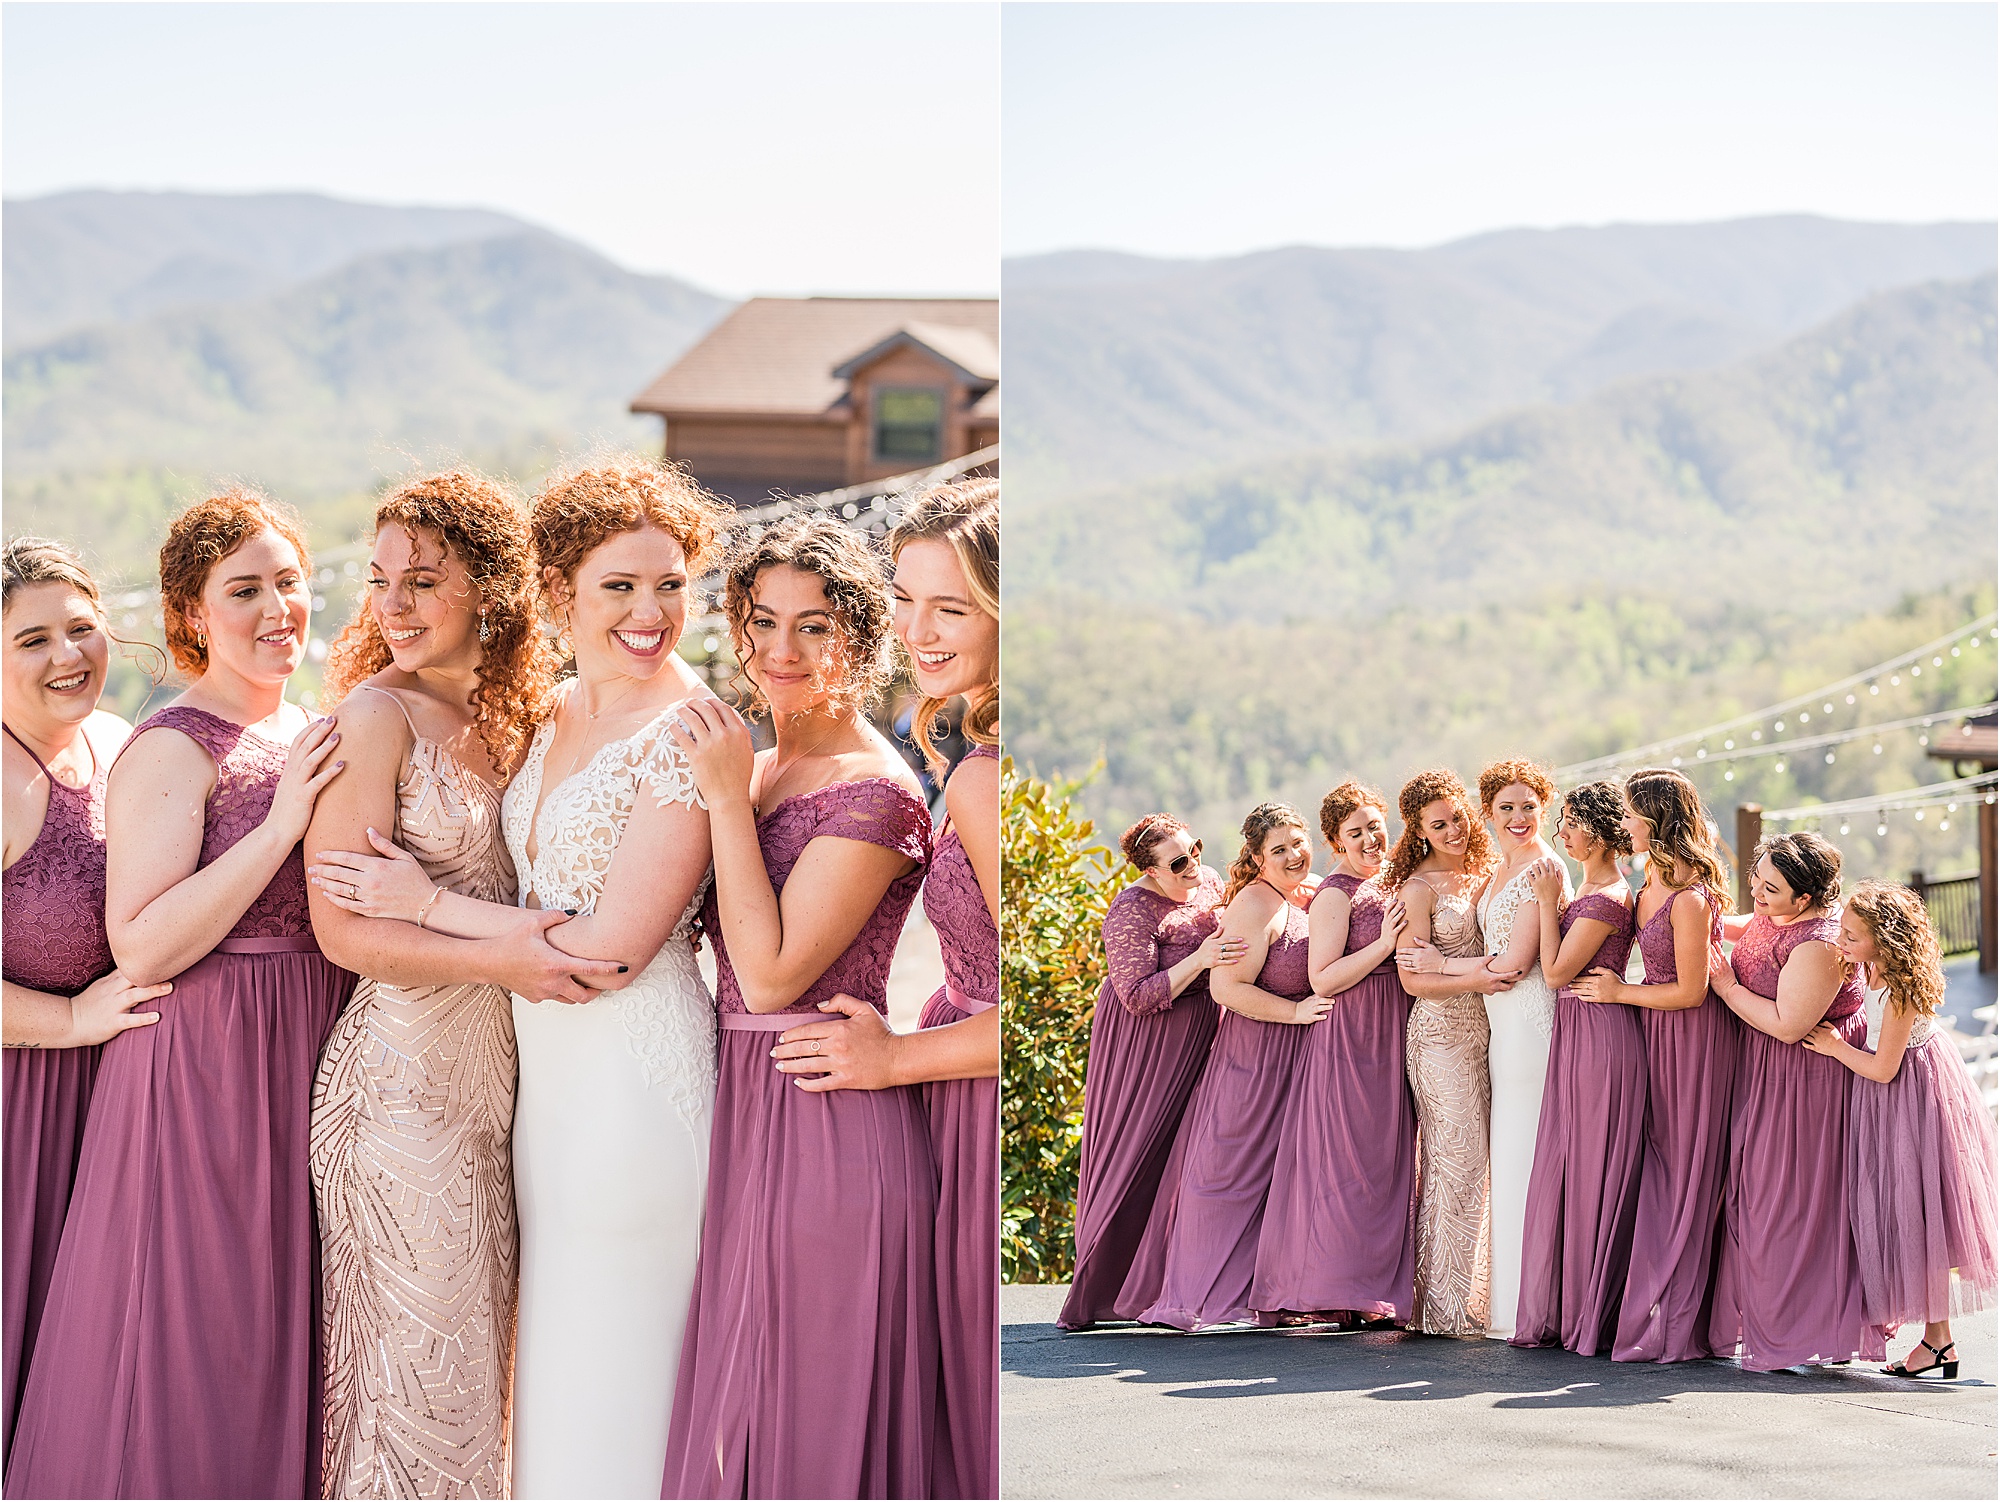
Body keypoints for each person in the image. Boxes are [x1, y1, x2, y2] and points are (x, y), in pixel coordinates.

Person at [312, 460, 725, 1497]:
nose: (650, 611)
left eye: (669, 584)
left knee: (621, 1348)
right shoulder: (545, 714)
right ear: (556, 595)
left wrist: (428, 902)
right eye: (620, 586)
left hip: (630, 1071)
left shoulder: (692, 733)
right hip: (521, 1089)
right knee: (537, 1361)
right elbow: (347, 916)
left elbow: (609, 952)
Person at [7, 491, 352, 1499]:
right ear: (192, 612)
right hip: (130, 1068)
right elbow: (143, 936)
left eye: (288, 580)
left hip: (256, 1056)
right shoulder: (163, 742)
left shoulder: (113, 739)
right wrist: (281, 826)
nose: (69, 652)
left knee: (252, 1328)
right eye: (244, 588)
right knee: (145, 1339)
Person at [304, 473, 590, 1496]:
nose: (394, 605)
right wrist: (500, 956)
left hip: (508, 1093)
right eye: (381, 581)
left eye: (422, 580)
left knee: (493, 1379)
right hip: (398, 1093)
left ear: (493, 588)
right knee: (420, 1384)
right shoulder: (375, 716)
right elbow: (344, 928)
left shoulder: (529, 716)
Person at [663, 514, 937, 1499]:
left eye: (813, 626)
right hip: (737, 1106)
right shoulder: (765, 764)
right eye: (761, 621)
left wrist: (725, 801)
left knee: (808, 1416)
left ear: (860, 639)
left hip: (824, 1111)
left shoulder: (876, 793)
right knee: (745, 1409)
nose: (780, 651)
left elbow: (772, 973)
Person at [764, 480, 1002, 1499]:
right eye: (904, 600)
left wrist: (897, 1055)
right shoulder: (971, 758)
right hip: (950, 1096)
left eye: (948, 606)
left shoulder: (985, 778)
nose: (915, 629)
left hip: (962, 1083)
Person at [0, 539, 167, 1463]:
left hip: (113, 1107)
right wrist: (66, 1021)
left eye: (80, 628)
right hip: (16, 1115)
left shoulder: (117, 744)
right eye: (32, 639)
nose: (67, 655)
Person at [1119, 802, 1332, 1330]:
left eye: (1297, 844)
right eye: (1277, 850)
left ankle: (1272, 1293)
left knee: (1280, 1176)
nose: (1292, 855)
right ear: (1258, 858)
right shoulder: (1256, 905)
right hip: (1253, 1054)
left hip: (1294, 1057)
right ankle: (1191, 1294)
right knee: (1224, 1174)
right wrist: (1296, 1011)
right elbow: (1226, 988)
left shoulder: (1299, 890)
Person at [1803, 880, 1999, 1378]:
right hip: (1893, 1096)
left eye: (1851, 936)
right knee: (1913, 1210)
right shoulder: (1874, 969)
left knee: (1919, 1210)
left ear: (1884, 940)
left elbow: (1883, 1068)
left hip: (1909, 1094)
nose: (1840, 942)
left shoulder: (1899, 992)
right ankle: (1938, 1341)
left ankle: (1939, 1340)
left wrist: (1833, 1048)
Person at [1057, 815, 1244, 1330]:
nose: (1194, 867)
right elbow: (1136, 995)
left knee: (1189, 1156)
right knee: (1135, 1153)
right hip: (1146, 1046)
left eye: (1196, 851)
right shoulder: (1130, 910)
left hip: (1205, 1033)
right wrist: (1202, 958)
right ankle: (1105, 1288)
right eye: (1178, 862)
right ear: (1149, 871)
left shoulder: (1206, 882)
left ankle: (1168, 1282)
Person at [1706, 833, 1883, 1371]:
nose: (1756, 895)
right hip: (1768, 1073)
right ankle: (1775, 1320)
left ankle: (1801, 1329)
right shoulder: (1776, 917)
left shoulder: (1819, 945)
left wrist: (1725, 985)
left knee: (1794, 1199)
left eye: (1770, 889)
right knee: (1760, 1192)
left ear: (1804, 900)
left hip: (1806, 1079)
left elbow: (1788, 1026)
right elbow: (1750, 928)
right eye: (1755, 882)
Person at [1578, 768, 1738, 1365]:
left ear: (1659, 820)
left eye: (1633, 817)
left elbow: (1693, 991)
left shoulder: (1690, 895)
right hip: (1654, 1035)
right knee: (1658, 1166)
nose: (1624, 826)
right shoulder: (1649, 877)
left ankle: (1677, 1321)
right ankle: (1647, 1304)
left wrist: (1621, 995)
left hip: (1693, 1039)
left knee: (1685, 1174)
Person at [1251, 781, 1413, 1327]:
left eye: (1374, 825)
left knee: (1389, 1161)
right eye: (1355, 832)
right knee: (1352, 1163)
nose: (1370, 838)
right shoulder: (1336, 894)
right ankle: (1340, 1288)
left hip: (1396, 1027)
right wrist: (1384, 946)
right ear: (1335, 841)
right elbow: (1322, 977)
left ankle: (1375, 1285)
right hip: (1351, 1033)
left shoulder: (1397, 880)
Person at [1508, 781, 1643, 1356]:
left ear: (1596, 832)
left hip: (1600, 1039)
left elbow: (1559, 972)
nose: (1560, 833)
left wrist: (1545, 902)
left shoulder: (1609, 896)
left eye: (1569, 824)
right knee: (1571, 1163)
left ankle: (1589, 1311)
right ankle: (1570, 1304)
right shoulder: (1592, 887)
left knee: (1591, 1166)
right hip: (1577, 1033)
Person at [1390, 769, 1516, 1336]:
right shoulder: (1418, 889)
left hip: (1491, 1032)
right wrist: (1480, 979)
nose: (1453, 831)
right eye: (1437, 826)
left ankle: (1486, 1298)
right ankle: (1442, 1308)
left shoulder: (1486, 874)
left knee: (1487, 1163)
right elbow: (1414, 981)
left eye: (1457, 818)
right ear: (1418, 832)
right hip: (1439, 1034)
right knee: (1454, 1161)